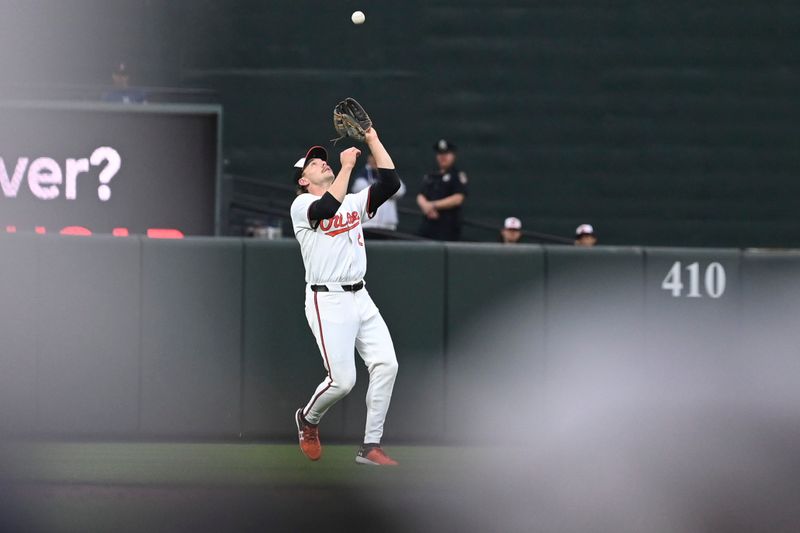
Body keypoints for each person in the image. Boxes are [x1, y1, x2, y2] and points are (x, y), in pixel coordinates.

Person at [289, 126, 401, 466]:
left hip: (360, 295)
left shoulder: (353, 201)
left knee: (387, 365)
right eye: (313, 164)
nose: (322, 163)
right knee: (343, 381)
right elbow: (326, 209)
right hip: (327, 299)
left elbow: (391, 184)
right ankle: (308, 419)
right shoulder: (302, 205)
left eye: (323, 160)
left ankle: (370, 446)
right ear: (303, 180)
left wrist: (371, 139)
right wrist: (347, 167)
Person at [416, 139, 468, 241]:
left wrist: (433, 205)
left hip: (448, 227)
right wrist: (426, 207)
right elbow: (420, 195)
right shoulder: (431, 175)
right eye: (440, 154)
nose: (443, 157)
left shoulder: (457, 176)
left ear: (453, 155)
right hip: (428, 225)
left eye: (446, 154)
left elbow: (458, 198)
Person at [351, 154, 406, 235]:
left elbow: (400, 190)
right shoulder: (363, 174)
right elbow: (359, 189)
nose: (375, 159)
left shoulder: (390, 174)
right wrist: (386, 189)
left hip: (387, 226)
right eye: (373, 157)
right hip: (366, 225)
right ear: (369, 158)